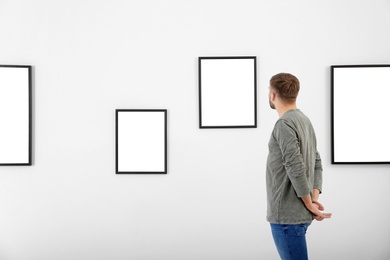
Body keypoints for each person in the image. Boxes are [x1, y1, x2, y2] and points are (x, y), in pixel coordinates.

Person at [266, 73, 332, 260]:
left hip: (287, 216)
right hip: (299, 215)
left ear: (273, 95)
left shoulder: (284, 123)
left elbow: (295, 167)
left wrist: (310, 203)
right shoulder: (304, 120)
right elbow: (316, 163)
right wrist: (312, 199)